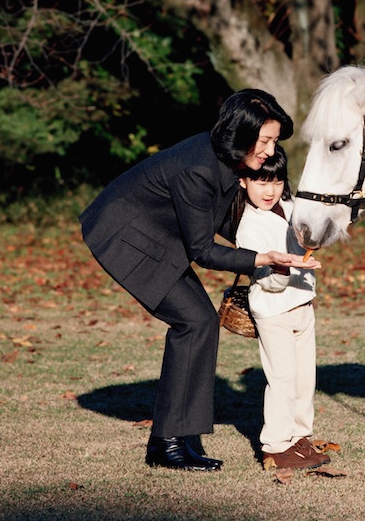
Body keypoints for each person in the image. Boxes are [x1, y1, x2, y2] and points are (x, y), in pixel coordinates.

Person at [79, 89, 321, 471]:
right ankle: (166, 444)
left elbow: (233, 218)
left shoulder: (227, 160)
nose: (272, 150)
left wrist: (293, 235)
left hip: (160, 233)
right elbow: (203, 250)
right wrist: (262, 257)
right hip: (125, 234)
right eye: (265, 140)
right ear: (241, 135)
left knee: (200, 322)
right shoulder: (198, 168)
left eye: (274, 141)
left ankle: (180, 438)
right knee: (193, 321)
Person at [233, 145, 329, 470]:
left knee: (305, 377)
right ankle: (275, 445)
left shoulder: (291, 206)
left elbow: (310, 237)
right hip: (273, 311)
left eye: (276, 181)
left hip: (303, 303)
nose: (270, 190)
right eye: (260, 182)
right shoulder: (248, 227)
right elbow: (267, 282)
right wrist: (282, 267)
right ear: (243, 181)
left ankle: (299, 436)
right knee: (283, 377)